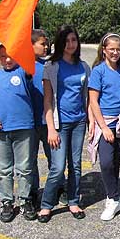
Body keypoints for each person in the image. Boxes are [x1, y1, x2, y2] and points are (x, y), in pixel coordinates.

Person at [38, 25, 90, 223]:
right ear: (60, 43)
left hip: (79, 122)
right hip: (59, 124)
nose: (70, 44)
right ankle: (46, 205)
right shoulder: (51, 66)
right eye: (66, 41)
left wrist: (91, 122)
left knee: (75, 165)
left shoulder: (84, 67)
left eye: (74, 40)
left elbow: (87, 98)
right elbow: (48, 101)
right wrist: (51, 128)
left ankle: (73, 200)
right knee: (58, 167)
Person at [0, 40, 37, 222]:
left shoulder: (23, 72)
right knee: (4, 169)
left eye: (10, 55)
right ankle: (6, 201)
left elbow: (30, 64)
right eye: (3, 56)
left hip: (23, 128)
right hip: (0, 130)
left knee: (24, 168)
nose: (7, 59)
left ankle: (25, 200)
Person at [88, 33, 120, 221]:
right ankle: (111, 199)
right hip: (106, 123)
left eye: (118, 49)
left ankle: (116, 198)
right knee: (106, 162)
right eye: (111, 49)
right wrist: (104, 128)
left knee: (115, 161)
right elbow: (93, 101)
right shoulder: (99, 71)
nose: (115, 52)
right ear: (104, 50)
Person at [30, 29, 50, 205]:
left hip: (48, 121)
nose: (46, 47)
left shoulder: (47, 66)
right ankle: (32, 191)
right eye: (42, 44)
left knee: (55, 159)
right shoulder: (23, 68)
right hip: (29, 123)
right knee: (31, 160)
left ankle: (56, 187)